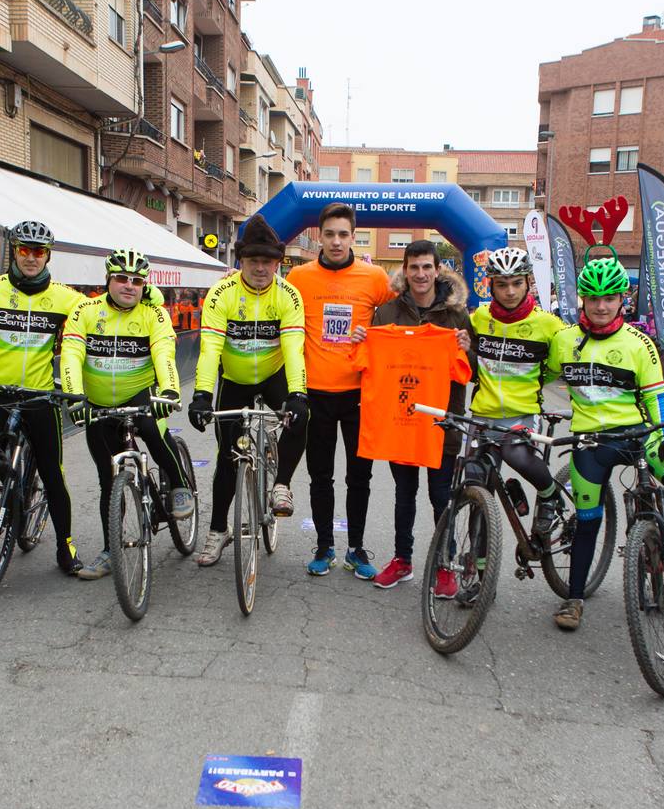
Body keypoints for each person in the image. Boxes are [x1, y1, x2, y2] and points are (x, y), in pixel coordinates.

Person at [545, 250, 664, 630]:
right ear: (582, 299)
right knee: (587, 521)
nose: (601, 307)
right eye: (593, 298)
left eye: (610, 298)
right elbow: (538, 374)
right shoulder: (564, 341)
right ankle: (574, 597)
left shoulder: (638, 343)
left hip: (640, 434)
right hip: (591, 442)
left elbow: (657, 397)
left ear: (622, 300)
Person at [424, 246, 565, 598]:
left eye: (517, 283)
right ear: (491, 285)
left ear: (528, 282)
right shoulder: (480, 317)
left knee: (518, 456)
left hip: (520, 415)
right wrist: (463, 345)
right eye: (501, 284)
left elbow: (559, 368)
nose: (510, 291)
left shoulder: (549, 325)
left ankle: (549, 496)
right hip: (483, 414)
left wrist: (533, 390)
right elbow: (469, 363)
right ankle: (477, 573)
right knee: (475, 489)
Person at [0, 220, 88, 575]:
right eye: (24, 250)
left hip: (40, 399)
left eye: (38, 252)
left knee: (52, 475)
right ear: (13, 250)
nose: (31, 258)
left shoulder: (66, 297)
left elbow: (104, 315)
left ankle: (65, 548)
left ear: (47, 255)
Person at [61, 249, 191, 580]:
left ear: (144, 285)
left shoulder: (153, 314)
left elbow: (164, 352)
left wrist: (170, 391)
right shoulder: (86, 310)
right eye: (121, 278)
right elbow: (73, 352)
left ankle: (178, 485)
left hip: (140, 395)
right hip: (97, 403)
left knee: (154, 433)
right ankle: (110, 552)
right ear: (108, 280)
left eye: (136, 280)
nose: (129, 285)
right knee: (108, 481)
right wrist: (75, 396)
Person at [188, 215, 309, 567]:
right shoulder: (222, 294)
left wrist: (297, 394)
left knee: (301, 420)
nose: (260, 268)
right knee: (228, 456)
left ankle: (281, 483)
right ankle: (217, 531)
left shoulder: (288, 295)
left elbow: (293, 348)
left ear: (278, 262)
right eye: (253, 261)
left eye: (268, 261)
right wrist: (201, 395)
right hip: (235, 379)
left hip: (274, 373)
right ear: (240, 261)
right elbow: (209, 349)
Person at [285, 202, 393, 578]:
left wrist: (376, 334)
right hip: (315, 393)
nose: (336, 241)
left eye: (343, 234)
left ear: (353, 236)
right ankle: (324, 546)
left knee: (359, 477)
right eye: (329, 234)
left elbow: (402, 316)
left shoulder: (375, 277)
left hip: (360, 394)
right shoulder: (299, 277)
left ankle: (357, 549)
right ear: (319, 234)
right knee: (320, 476)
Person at [366, 240, 473, 590]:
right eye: (414, 267)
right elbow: (371, 360)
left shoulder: (457, 316)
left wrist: (466, 350)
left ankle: (445, 564)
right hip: (404, 421)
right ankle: (403, 559)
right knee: (404, 493)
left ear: (437, 269)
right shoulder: (386, 314)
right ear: (405, 271)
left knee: (442, 496)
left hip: (444, 421)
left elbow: (470, 372)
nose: (421, 274)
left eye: (427, 267)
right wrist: (361, 340)